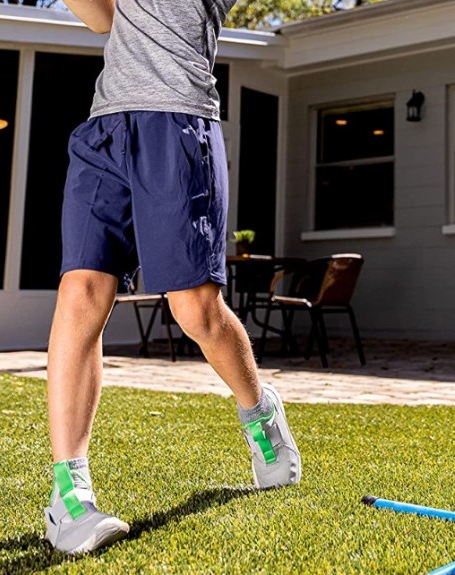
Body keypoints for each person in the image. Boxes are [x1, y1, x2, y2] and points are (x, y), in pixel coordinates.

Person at [42, 0, 302, 555]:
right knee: (81, 291)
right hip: (105, 125)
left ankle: (261, 413)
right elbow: (103, 17)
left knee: (194, 309)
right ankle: (69, 497)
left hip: (177, 120)